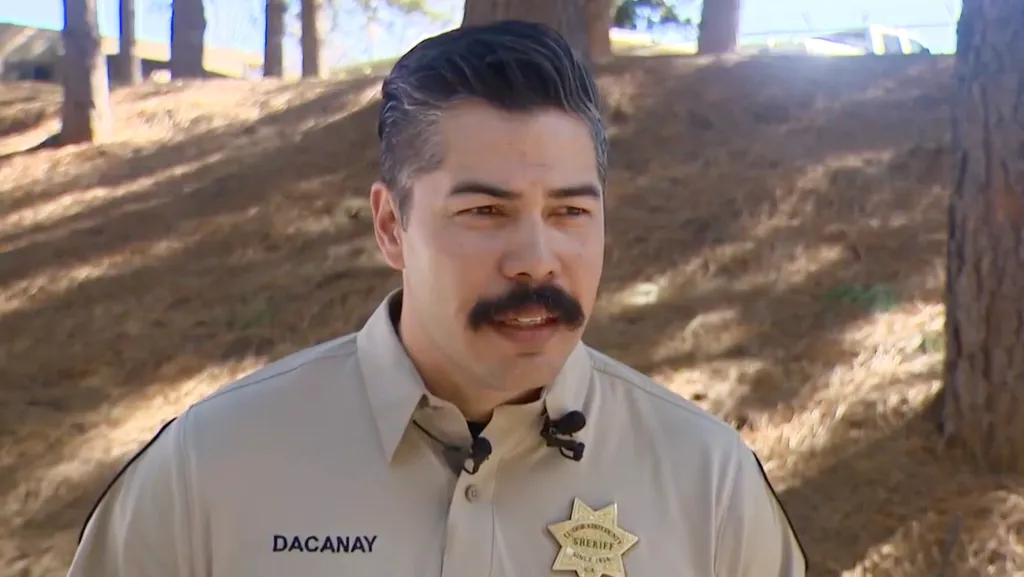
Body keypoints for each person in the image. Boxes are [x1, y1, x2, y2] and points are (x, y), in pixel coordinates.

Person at [68, 20, 806, 577]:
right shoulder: (211, 468)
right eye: (485, 212)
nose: (535, 259)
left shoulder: (708, 484)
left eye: (570, 213)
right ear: (392, 226)